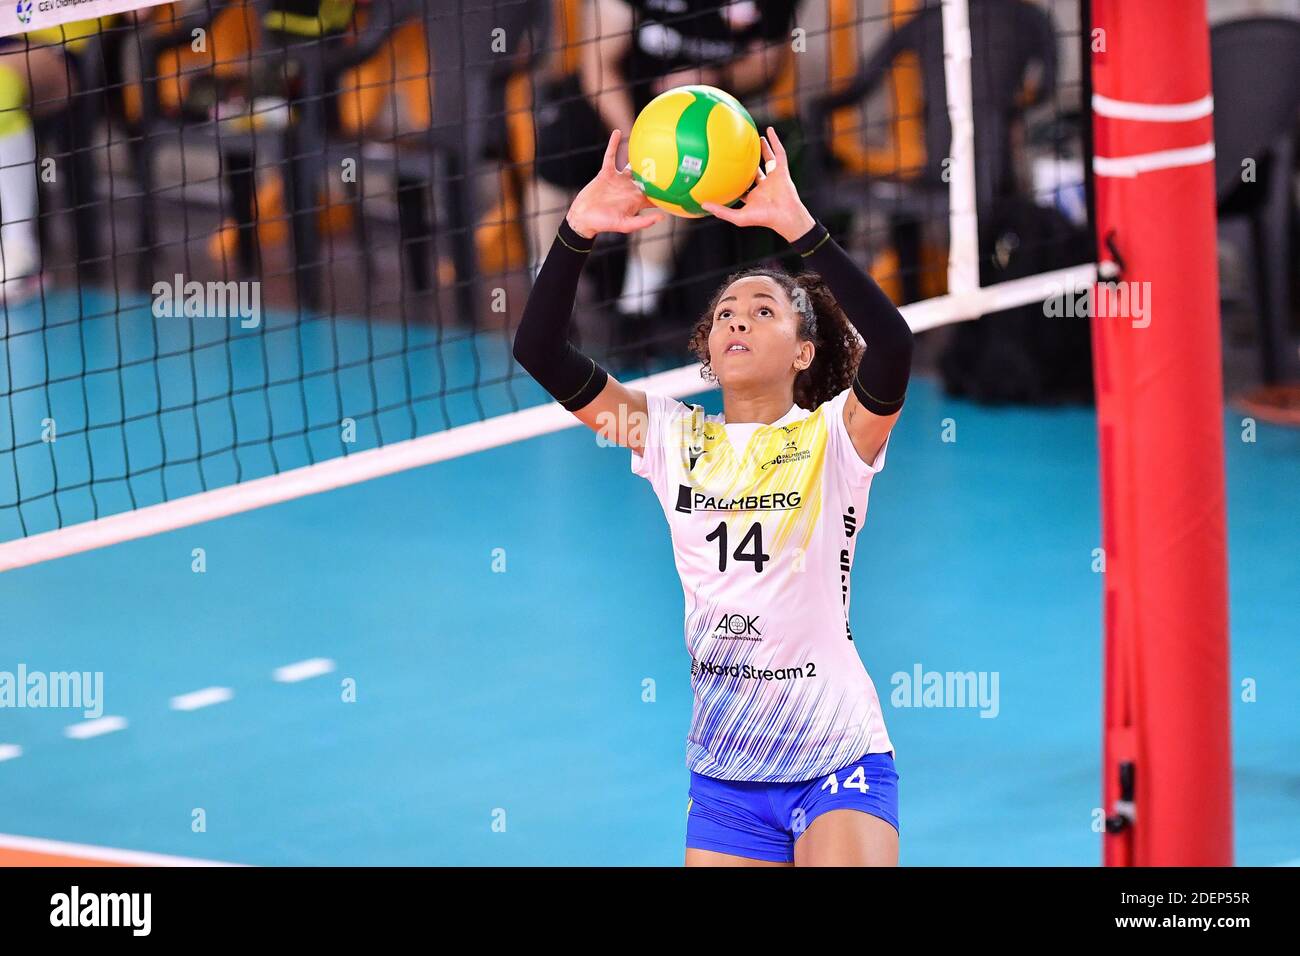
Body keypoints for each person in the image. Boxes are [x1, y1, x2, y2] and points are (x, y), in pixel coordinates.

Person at [512, 126, 914, 866]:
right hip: (727, 771)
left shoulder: (837, 440)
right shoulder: (670, 438)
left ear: (803, 351)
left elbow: (893, 347)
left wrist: (800, 228)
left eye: (764, 311)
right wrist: (578, 229)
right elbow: (539, 352)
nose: (739, 319)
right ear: (707, 346)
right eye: (729, 311)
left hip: (838, 755)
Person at [527, 0, 801, 334]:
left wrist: (716, 76)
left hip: (699, 114)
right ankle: (548, 300)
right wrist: (630, 138)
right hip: (612, 99)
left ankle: (635, 312)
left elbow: (768, 64)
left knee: (679, 173)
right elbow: (598, 65)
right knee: (556, 156)